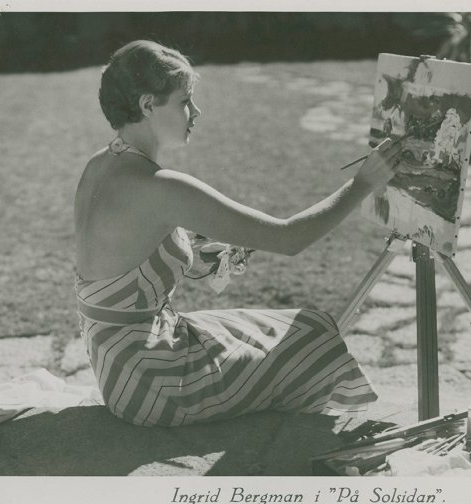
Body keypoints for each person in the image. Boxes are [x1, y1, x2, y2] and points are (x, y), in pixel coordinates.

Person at [74, 40, 402, 427]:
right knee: (311, 333)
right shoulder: (163, 186)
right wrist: (362, 184)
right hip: (153, 378)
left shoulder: (102, 162)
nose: (196, 112)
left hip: (115, 362)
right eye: (184, 101)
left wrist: (199, 253)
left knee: (269, 328)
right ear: (148, 105)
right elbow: (289, 238)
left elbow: (123, 257)